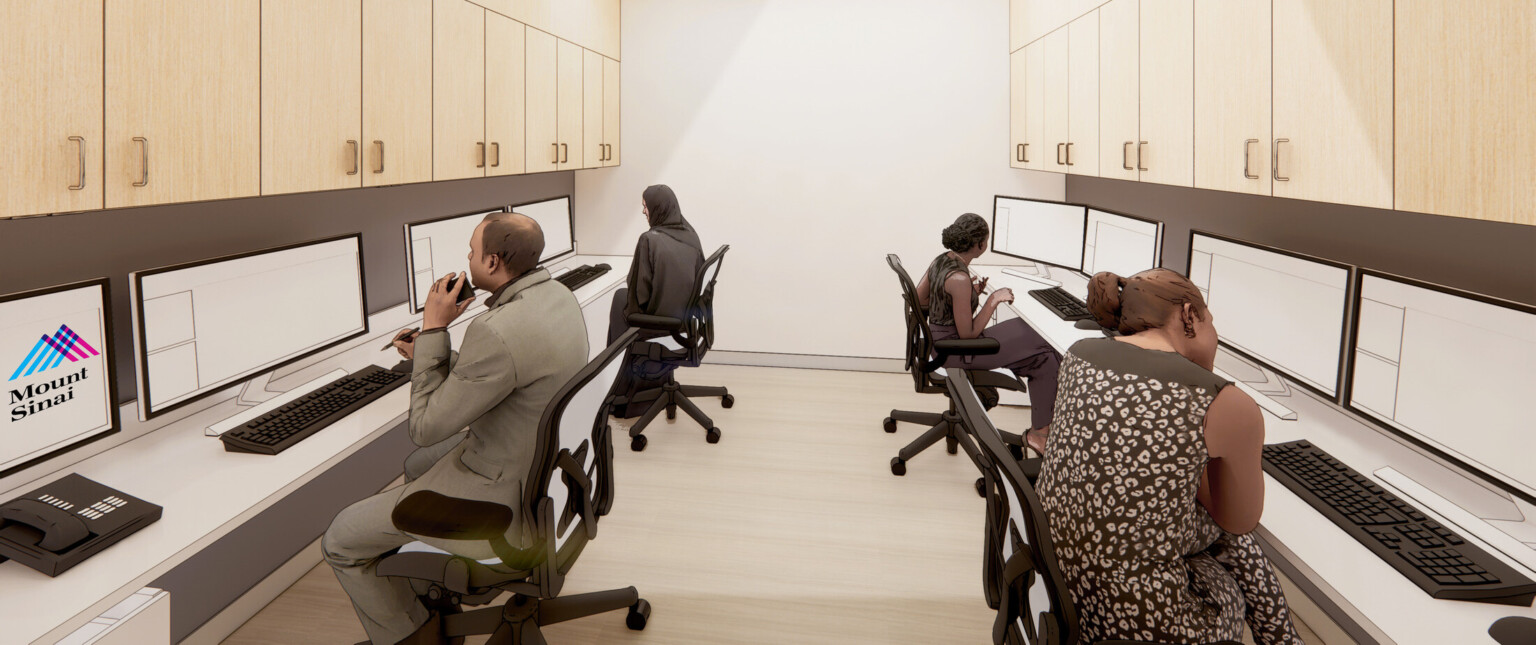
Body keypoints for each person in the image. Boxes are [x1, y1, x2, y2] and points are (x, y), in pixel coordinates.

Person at [322, 212, 589, 645]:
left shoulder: (494, 329)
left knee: (341, 540)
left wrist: (434, 327)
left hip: (504, 497)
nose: (466, 258)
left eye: (472, 251)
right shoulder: (557, 295)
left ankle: (414, 637)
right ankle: (433, 597)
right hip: (545, 474)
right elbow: (500, 370)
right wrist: (431, 351)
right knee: (418, 465)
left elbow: (425, 425)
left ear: (494, 263)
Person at [1036, 268, 1303, 645]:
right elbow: (1238, 519)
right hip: (1147, 627)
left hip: (1057, 594)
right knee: (1232, 559)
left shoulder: (1079, 356)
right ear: (1189, 315)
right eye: (1211, 321)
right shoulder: (1222, 401)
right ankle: (1283, 639)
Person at [914, 213, 1060, 452]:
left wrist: (962, 298)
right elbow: (968, 336)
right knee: (1041, 341)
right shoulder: (959, 278)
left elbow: (919, 300)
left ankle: (1040, 432)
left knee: (1044, 359)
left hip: (937, 343)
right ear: (980, 244)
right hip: (956, 350)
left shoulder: (941, 260)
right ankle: (1041, 433)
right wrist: (992, 299)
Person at [605, 184, 705, 417]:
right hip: (686, 321)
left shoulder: (649, 239)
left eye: (645, 206)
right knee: (622, 300)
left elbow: (639, 294)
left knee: (622, 303)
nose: (643, 212)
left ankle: (622, 397)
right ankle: (633, 389)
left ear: (657, 208)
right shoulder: (689, 233)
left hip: (663, 324)